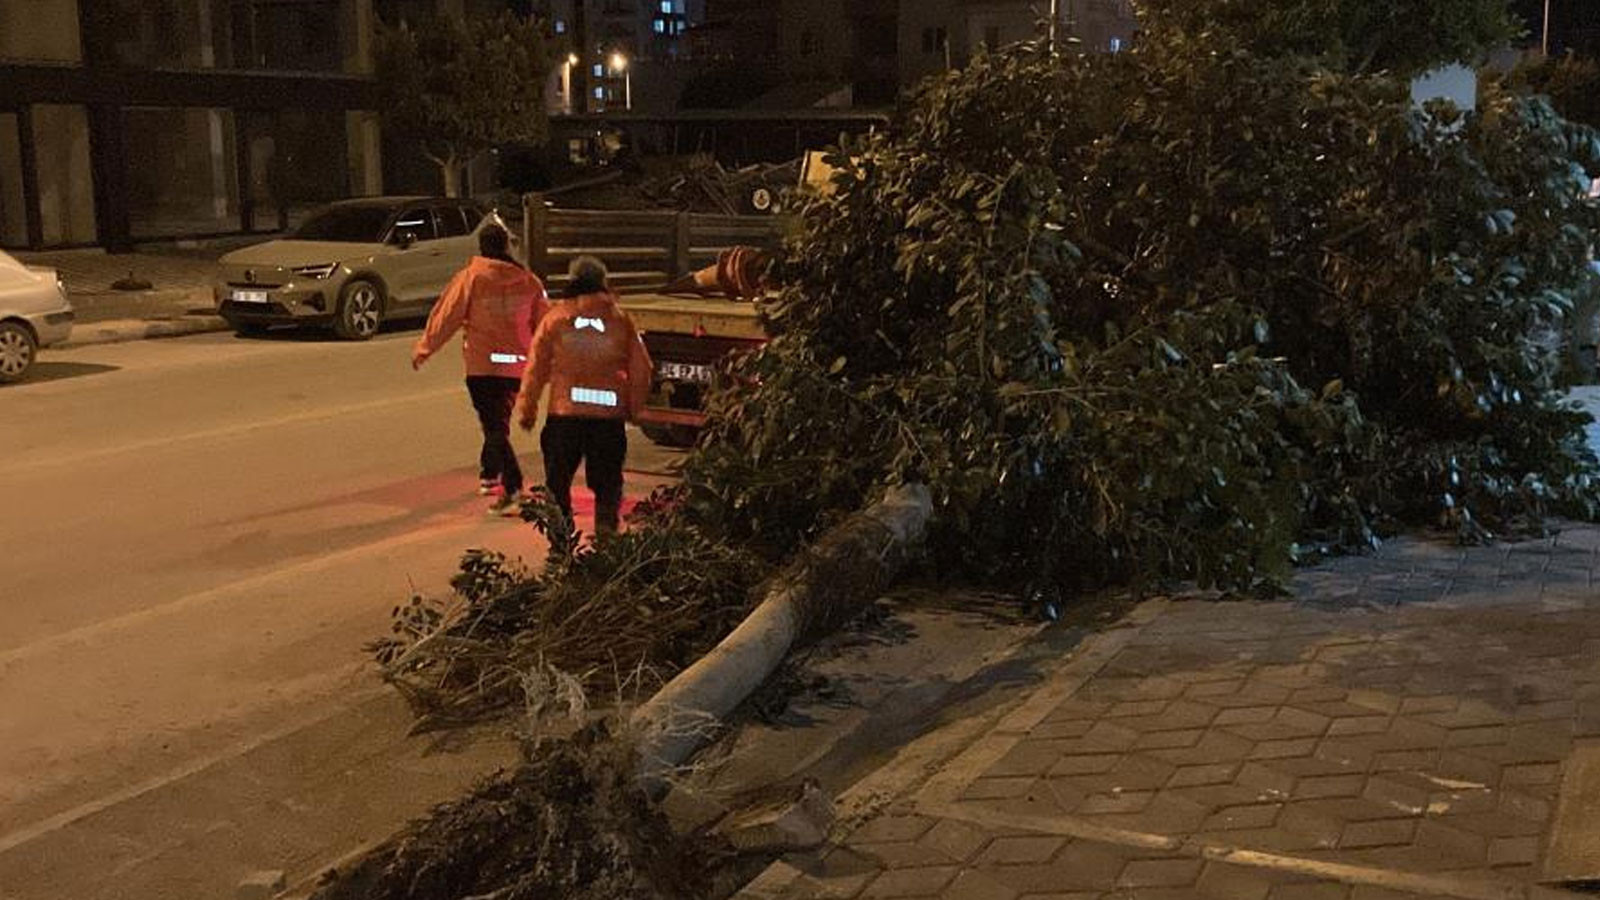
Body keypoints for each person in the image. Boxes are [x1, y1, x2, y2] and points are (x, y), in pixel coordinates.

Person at [413, 223, 549, 516]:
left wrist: (425, 348)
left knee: (493, 425)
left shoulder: (471, 278)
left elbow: (447, 315)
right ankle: (489, 474)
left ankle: (512, 486)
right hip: (515, 366)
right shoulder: (528, 280)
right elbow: (544, 323)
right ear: (505, 247)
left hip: (483, 365)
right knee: (497, 422)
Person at [515, 256, 652, 534]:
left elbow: (536, 367)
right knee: (607, 483)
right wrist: (635, 409)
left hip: (565, 417)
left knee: (557, 484)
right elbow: (642, 368)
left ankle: (561, 543)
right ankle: (605, 535)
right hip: (607, 421)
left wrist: (527, 410)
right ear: (603, 283)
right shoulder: (619, 320)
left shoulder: (555, 319)